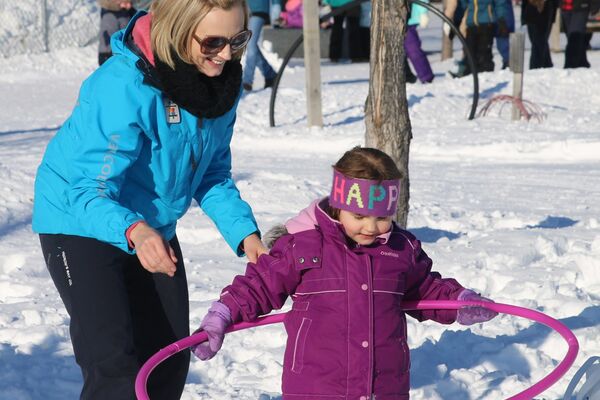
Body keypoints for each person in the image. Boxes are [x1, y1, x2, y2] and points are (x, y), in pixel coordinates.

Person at [32, 0, 268, 398]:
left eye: (237, 40)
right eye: (213, 42)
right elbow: (88, 189)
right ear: (178, 31)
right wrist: (136, 231)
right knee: (115, 367)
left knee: (168, 359)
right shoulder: (122, 86)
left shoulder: (217, 88)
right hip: (78, 220)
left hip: (151, 224)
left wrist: (247, 236)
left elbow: (211, 173)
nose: (227, 55)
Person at [192, 147, 498, 399]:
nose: (370, 227)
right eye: (360, 216)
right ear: (339, 206)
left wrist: (459, 301)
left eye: (382, 218)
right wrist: (221, 315)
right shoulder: (306, 246)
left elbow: (425, 289)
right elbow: (258, 285)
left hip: (384, 389)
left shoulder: (400, 250)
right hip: (317, 389)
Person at [459, 0, 508, 75]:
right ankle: (471, 76)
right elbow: (463, 3)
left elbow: (500, 3)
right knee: (470, 53)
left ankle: (485, 76)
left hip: (486, 23)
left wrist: (501, 18)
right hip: (471, 23)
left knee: (484, 54)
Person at [242, 0, 279, 91]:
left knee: (250, 44)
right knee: (251, 45)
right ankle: (270, 75)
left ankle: (247, 81)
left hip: (259, 11)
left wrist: (277, 10)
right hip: (246, 11)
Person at [521, 0, 559, 68]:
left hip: (545, 7)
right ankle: (546, 65)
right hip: (531, 6)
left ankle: (536, 67)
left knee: (539, 40)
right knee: (537, 40)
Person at [406, 1, 435, 83]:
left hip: (408, 18)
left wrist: (423, 12)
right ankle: (406, 76)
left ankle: (426, 76)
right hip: (388, 18)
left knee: (413, 48)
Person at [561, 0, 592, 68]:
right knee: (571, 37)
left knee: (575, 36)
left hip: (581, 6)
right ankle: (582, 63)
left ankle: (570, 65)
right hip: (565, 7)